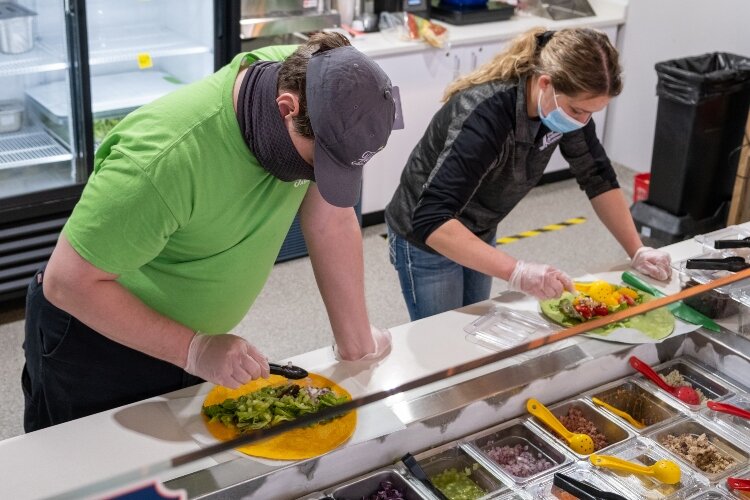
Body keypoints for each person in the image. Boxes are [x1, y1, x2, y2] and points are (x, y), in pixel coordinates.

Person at [22, 33, 396, 432]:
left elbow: (330, 217)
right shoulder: (161, 161)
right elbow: (67, 283)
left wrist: (356, 340)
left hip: (195, 341)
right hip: (96, 340)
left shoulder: (316, 80)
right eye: (317, 164)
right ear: (286, 108)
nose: (319, 178)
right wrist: (192, 350)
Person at [384, 27, 671, 321]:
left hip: (479, 227)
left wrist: (637, 250)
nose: (583, 121)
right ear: (545, 83)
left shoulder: (565, 111)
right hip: (427, 236)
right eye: (577, 110)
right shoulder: (486, 115)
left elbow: (598, 176)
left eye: (591, 113)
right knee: (442, 336)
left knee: (470, 326)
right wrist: (517, 271)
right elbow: (432, 219)